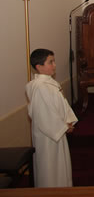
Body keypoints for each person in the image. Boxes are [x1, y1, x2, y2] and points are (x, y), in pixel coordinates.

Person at [25, 48, 78, 187]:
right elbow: (43, 114)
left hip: (57, 132)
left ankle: (62, 190)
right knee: (50, 167)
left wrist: (68, 120)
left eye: (54, 61)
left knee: (59, 165)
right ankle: (50, 194)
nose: (54, 65)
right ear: (39, 66)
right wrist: (63, 127)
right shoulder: (40, 87)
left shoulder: (49, 83)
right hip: (48, 136)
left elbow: (60, 103)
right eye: (50, 62)